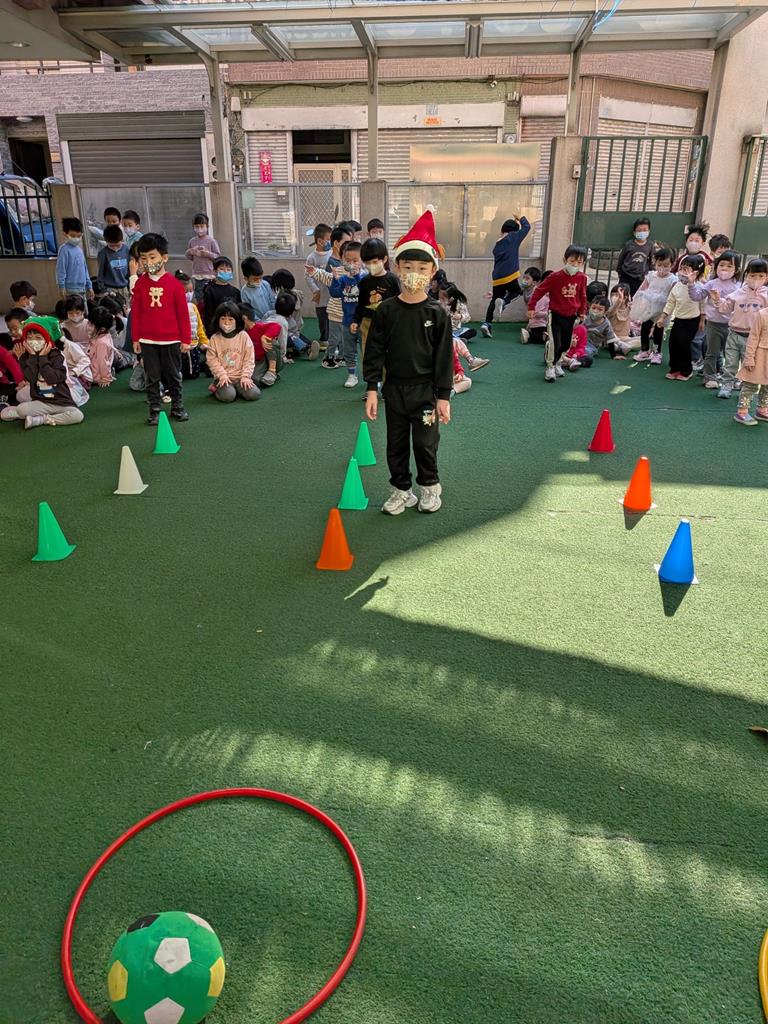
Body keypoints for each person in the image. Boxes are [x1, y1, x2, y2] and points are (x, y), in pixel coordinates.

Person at [363, 209, 453, 515]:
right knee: (396, 444)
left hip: (426, 392)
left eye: (422, 267)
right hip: (395, 391)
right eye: (408, 266)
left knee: (426, 444)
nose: (414, 272)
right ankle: (402, 491)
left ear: (432, 271)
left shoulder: (437, 314)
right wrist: (372, 388)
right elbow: (375, 350)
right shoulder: (386, 311)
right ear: (397, 267)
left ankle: (430, 487)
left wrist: (443, 396)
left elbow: (444, 357)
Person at [131, 232, 191, 424]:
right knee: (152, 376)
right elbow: (136, 313)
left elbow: (183, 315)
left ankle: (177, 407)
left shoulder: (175, 285)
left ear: (164, 258)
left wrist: (186, 339)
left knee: (173, 374)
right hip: (148, 340)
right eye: (144, 258)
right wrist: (135, 338)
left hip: (171, 339)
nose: (148, 262)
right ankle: (154, 410)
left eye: (152, 257)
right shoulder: (140, 284)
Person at [0, 316, 84, 428]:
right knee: (22, 409)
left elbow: (52, 378)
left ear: (47, 339)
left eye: (38, 337)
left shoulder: (57, 356)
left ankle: (41, 419)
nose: (33, 341)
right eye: (29, 338)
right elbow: (31, 377)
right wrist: (33, 357)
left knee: (77, 416)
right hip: (41, 402)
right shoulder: (27, 357)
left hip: (61, 402)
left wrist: (43, 358)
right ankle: (22, 413)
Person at [528, 245, 588, 381]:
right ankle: (550, 366)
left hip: (571, 316)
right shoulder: (555, 277)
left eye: (579, 262)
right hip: (555, 314)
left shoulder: (582, 278)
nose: (575, 265)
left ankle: (558, 362)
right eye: (572, 261)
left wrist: (582, 312)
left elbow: (582, 296)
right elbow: (539, 291)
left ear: (583, 263)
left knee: (566, 343)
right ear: (565, 260)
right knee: (556, 342)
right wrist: (531, 307)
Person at [712, 258, 768, 399]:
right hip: (734, 334)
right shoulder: (739, 292)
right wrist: (718, 300)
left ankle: (745, 388)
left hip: (754, 339)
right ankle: (727, 384)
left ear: (766, 277)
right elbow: (725, 308)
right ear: (746, 275)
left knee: (748, 364)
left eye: (761, 276)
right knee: (730, 362)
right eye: (752, 275)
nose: (756, 279)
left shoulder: (766, 295)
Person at [686, 250, 740, 388]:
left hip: (732, 326)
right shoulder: (712, 283)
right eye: (722, 265)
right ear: (716, 267)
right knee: (712, 352)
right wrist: (691, 283)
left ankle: (732, 378)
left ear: (736, 269)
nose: (725, 269)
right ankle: (709, 377)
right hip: (713, 324)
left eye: (729, 266)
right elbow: (697, 296)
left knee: (731, 354)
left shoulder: (739, 286)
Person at [657, 253, 706, 380]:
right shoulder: (677, 286)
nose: (682, 272)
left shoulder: (699, 287)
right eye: (681, 268)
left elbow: (703, 305)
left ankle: (686, 371)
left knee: (684, 344)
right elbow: (670, 302)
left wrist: (702, 320)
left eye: (686, 269)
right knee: (673, 343)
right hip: (679, 320)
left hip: (692, 320)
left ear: (696, 273)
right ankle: (674, 369)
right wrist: (662, 317)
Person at [480, 214, 531, 337]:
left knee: (494, 299)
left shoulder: (497, 244)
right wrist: (521, 218)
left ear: (502, 230)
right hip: (510, 274)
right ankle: (504, 302)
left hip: (497, 277)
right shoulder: (514, 237)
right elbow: (527, 227)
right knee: (517, 292)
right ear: (514, 231)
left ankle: (486, 324)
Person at [352, 237, 400, 366]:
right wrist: (356, 320)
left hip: (388, 323)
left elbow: (399, 301)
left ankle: (387, 377)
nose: (371, 266)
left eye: (374, 262)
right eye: (367, 263)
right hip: (368, 322)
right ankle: (371, 377)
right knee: (368, 355)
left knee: (388, 355)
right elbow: (361, 303)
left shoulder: (392, 280)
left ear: (384, 259)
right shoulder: (364, 281)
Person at [308, 225, 351, 367]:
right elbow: (327, 278)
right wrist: (315, 273)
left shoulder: (348, 267)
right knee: (333, 336)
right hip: (335, 309)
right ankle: (329, 358)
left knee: (344, 336)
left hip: (346, 310)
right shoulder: (332, 264)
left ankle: (342, 357)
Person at [329, 241, 367, 388]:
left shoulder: (365, 278)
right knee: (349, 350)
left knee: (367, 350)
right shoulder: (343, 280)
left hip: (363, 321)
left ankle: (371, 377)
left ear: (362, 261)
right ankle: (352, 375)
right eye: (348, 260)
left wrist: (356, 276)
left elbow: (365, 292)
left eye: (355, 261)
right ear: (343, 261)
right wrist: (334, 279)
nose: (352, 264)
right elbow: (335, 293)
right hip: (347, 320)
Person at [205, 301, 260, 403]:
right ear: (217, 320)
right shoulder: (214, 338)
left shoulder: (243, 336)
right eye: (223, 319)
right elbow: (212, 360)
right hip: (224, 377)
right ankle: (216, 387)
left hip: (240, 377)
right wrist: (221, 375)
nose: (226, 323)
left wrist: (245, 376)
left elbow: (249, 359)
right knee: (229, 396)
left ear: (237, 320)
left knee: (254, 394)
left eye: (230, 319)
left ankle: (236, 389)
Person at [631, 247, 676, 364]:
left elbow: (672, 295)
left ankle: (656, 353)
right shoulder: (651, 275)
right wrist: (635, 299)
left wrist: (668, 310)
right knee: (645, 328)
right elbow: (642, 288)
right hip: (649, 307)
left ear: (672, 265)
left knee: (658, 331)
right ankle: (644, 350)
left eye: (666, 265)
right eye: (659, 265)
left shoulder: (672, 279)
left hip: (662, 309)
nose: (662, 268)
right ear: (655, 263)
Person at [438, 283, 489, 371]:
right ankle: (471, 360)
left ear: (451, 298)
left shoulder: (459, 305)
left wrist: (460, 316)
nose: (440, 300)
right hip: (442, 332)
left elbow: (468, 317)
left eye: (443, 298)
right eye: (439, 297)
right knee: (455, 340)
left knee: (472, 331)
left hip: (456, 330)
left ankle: (470, 359)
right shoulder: (437, 305)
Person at [270, 268, 319, 360]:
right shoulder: (297, 293)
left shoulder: (287, 297)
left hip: (289, 328)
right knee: (298, 338)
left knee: (294, 339)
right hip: (294, 327)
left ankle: (305, 348)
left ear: (280, 285)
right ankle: (307, 347)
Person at [734, 306, 768, 425]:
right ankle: (742, 411)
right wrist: (749, 358)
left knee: (767, 386)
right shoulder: (762, 314)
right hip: (759, 355)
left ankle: (762, 409)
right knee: (750, 384)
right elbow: (753, 337)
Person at [175, 270, 207, 378]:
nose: (188, 294)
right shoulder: (172, 308)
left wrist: (204, 341)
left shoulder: (193, 307)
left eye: (191, 291)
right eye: (185, 292)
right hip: (179, 346)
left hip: (193, 345)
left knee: (194, 373)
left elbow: (199, 327)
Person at [304, 223, 332, 344]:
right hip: (320, 297)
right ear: (320, 241)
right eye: (329, 239)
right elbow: (308, 276)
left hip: (332, 295)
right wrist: (316, 290)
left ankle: (333, 340)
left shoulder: (332, 255)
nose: (331, 242)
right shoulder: (312, 258)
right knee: (322, 318)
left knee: (333, 318)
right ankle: (324, 339)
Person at [185, 213, 221, 303]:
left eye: (202, 226)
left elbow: (218, 257)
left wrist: (207, 254)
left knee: (210, 296)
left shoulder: (211, 241)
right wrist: (190, 252)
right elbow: (190, 257)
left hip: (209, 274)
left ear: (207, 226)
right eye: (196, 227)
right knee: (199, 297)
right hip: (197, 274)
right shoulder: (192, 241)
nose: (199, 229)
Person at [56, 217, 93, 303]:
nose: (76, 238)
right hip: (70, 290)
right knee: (74, 309)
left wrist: (89, 286)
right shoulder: (64, 250)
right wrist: (62, 287)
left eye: (79, 236)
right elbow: (61, 270)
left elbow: (85, 269)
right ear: (65, 234)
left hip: (82, 288)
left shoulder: (79, 250)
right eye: (73, 236)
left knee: (83, 309)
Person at [202, 257, 241, 335]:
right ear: (215, 271)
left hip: (233, 331)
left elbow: (239, 312)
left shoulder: (236, 291)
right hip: (216, 330)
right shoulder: (210, 291)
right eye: (222, 269)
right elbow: (208, 315)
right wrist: (210, 333)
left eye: (228, 269)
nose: (225, 271)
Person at [616, 218, 654, 296]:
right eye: (639, 230)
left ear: (648, 231)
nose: (642, 232)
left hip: (640, 278)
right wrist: (619, 271)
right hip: (626, 276)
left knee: (637, 297)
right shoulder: (629, 244)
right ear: (634, 232)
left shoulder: (650, 245)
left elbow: (652, 261)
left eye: (645, 230)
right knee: (623, 295)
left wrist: (650, 273)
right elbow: (621, 258)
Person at [85, 306, 118, 388]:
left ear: (102, 329)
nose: (88, 326)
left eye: (91, 324)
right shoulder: (102, 335)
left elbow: (103, 362)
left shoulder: (101, 343)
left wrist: (106, 378)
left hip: (95, 374)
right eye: (89, 322)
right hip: (94, 367)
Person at [95, 224, 129, 301]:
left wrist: (129, 286)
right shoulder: (103, 253)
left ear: (122, 240)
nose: (115, 248)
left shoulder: (126, 249)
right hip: (110, 289)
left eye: (118, 245)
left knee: (126, 307)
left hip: (124, 288)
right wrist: (104, 289)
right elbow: (100, 273)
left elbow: (129, 270)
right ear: (106, 241)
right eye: (111, 246)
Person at [240, 257, 275, 322]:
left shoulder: (265, 284)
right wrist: (260, 322)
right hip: (259, 322)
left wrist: (274, 316)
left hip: (273, 318)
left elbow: (272, 301)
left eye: (260, 278)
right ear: (246, 278)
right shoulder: (244, 292)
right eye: (255, 279)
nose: (259, 281)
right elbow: (249, 311)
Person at [521, 270, 551, 345]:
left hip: (546, 323)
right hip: (538, 324)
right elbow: (535, 313)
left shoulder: (550, 296)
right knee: (544, 337)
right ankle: (529, 335)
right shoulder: (542, 297)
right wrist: (548, 314)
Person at [0, 333, 23, 410]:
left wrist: (20, 381)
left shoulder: (2, 351)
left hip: (4, 384)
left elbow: (12, 364)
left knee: (15, 391)